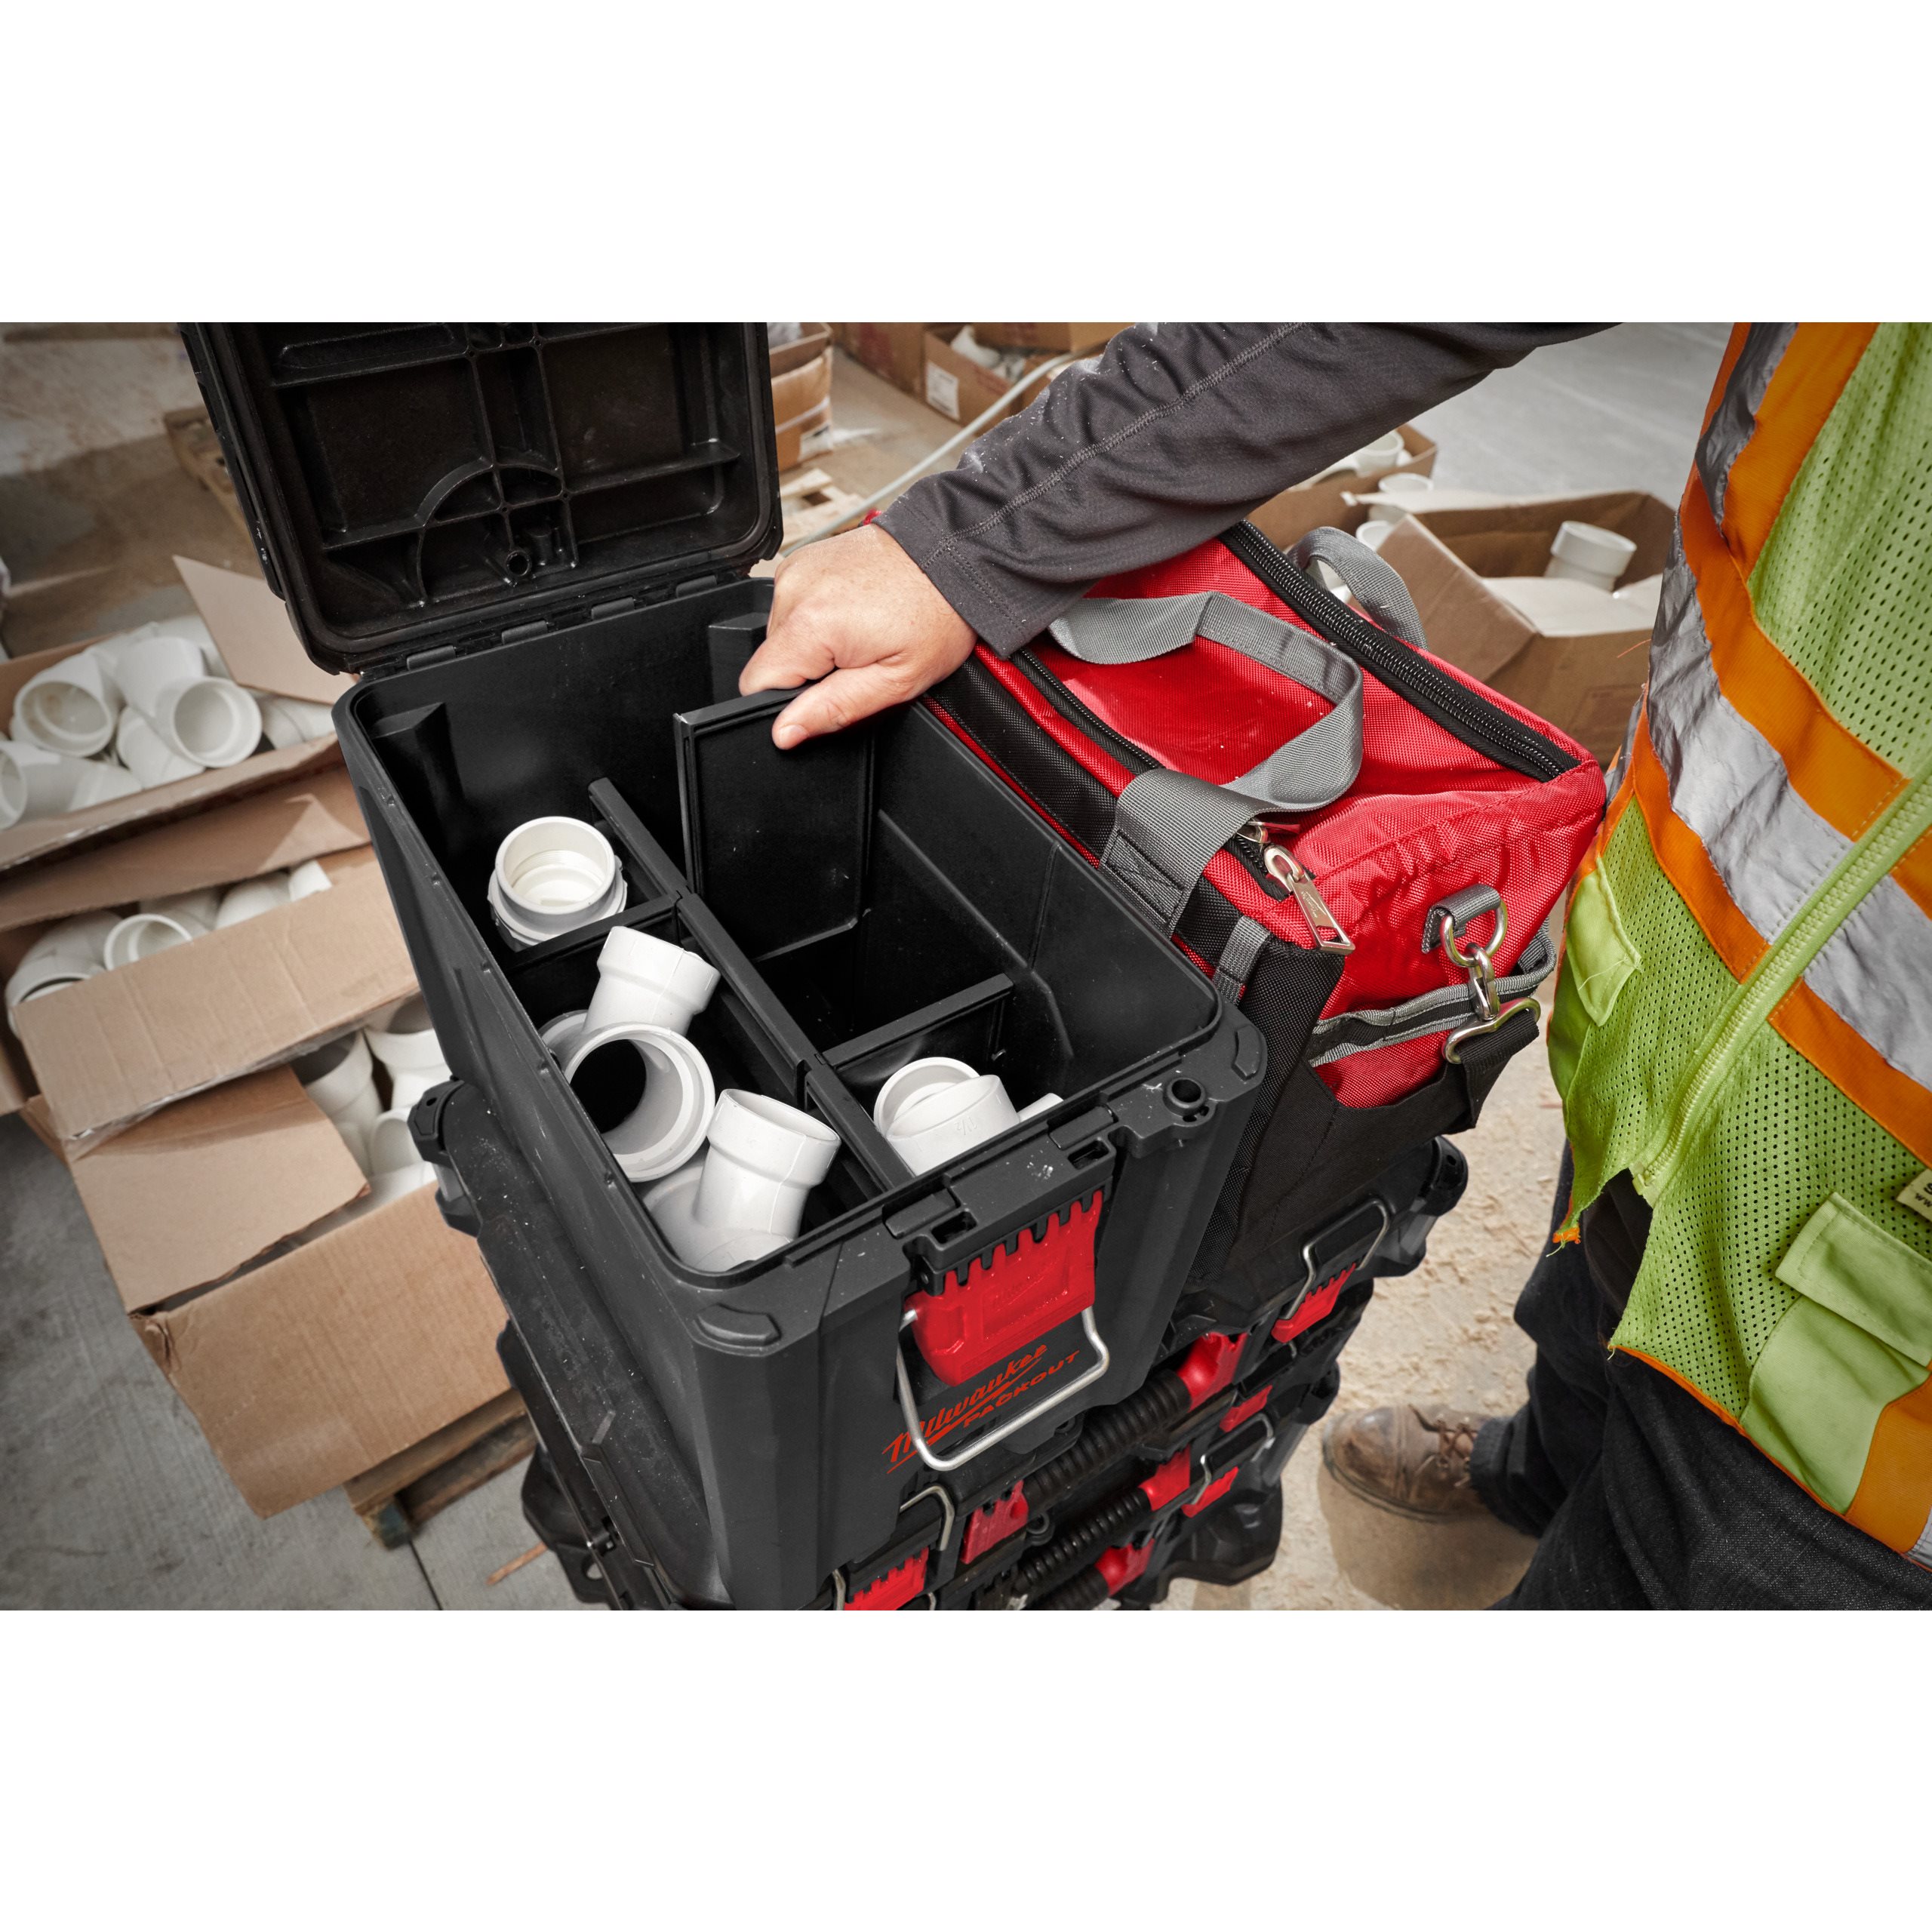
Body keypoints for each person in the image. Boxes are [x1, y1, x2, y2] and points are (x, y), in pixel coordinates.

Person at [739, 324, 1932, 1609]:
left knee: (1686, 1556)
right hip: (1692, 1015)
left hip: (1884, 1322)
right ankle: (1538, 1478)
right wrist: (975, 542)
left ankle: (1587, 1521)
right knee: (1596, 1298)